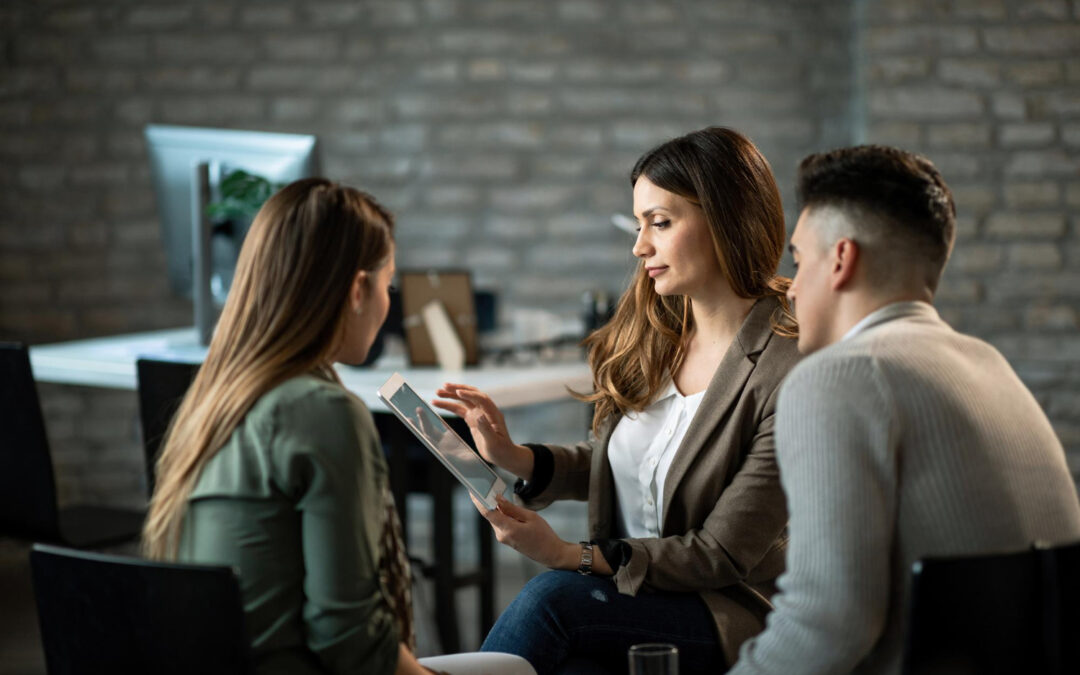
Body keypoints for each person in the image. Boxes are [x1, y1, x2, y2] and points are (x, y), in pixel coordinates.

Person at [434, 127, 802, 674]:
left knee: (551, 598)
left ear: (726, 218)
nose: (639, 246)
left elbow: (720, 553)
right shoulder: (657, 335)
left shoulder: (787, 365)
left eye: (660, 222)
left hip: (725, 607)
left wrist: (567, 555)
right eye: (638, 225)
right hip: (633, 597)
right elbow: (632, 467)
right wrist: (513, 457)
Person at [142, 179, 533, 675]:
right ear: (356, 289)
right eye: (388, 285)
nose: (388, 304)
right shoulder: (324, 412)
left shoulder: (211, 402)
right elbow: (349, 641)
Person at [728, 145, 1080, 674]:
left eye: (798, 262)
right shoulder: (989, 366)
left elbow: (827, 625)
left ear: (842, 260)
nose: (793, 289)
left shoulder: (838, 377)